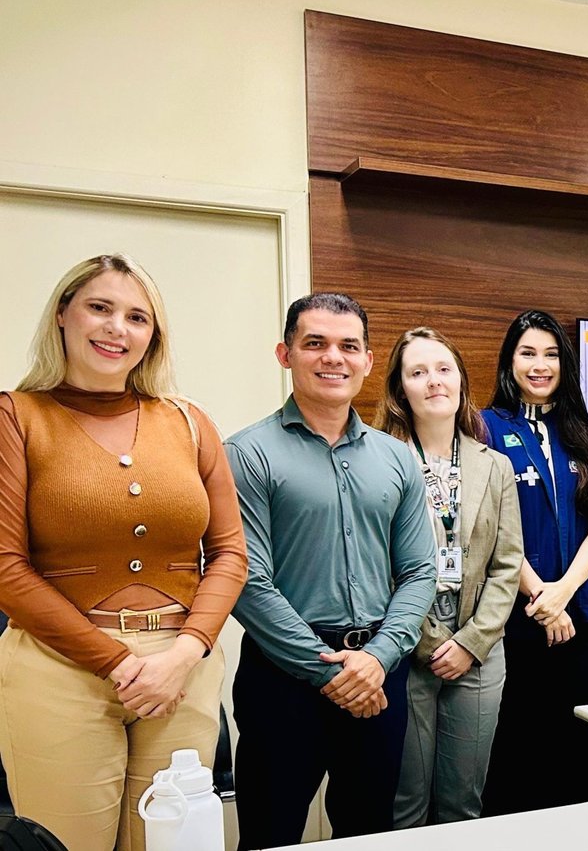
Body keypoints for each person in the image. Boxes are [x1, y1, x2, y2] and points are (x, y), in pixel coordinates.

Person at [0, 255, 248, 851]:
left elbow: (229, 554)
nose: (118, 328)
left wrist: (184, 654)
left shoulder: (189, 422)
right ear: (63, 315)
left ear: (153, 336)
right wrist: (117, 662)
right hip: (59, 670)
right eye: (100, 308)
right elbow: (6, 566)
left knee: (175, 842)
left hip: (181, 673)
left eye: (138, 317)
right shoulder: (16, 415)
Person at [225, 293, 435, 847]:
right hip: (283, 678)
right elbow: (246, 579)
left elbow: (420, 571)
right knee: (270, 834)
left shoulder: (397, 458)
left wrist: (378, 657)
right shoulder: (246, 453)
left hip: (379, 672)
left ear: (367, 360)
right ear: (285, 354)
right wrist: (332, 674)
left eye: (348, 346)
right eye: (314, 343)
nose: (332, 357)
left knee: (369, 834)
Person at [375, 328, 524, 827]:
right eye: (418, 372)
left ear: (461, 379)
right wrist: (426, 640)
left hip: (479, 645)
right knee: (406, 803)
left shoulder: (495, 465)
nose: (434, 381)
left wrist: (472, 642)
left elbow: (508, 563)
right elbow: (376, 564)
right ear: (400, 389)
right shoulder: (381, 460)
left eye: (443, 369)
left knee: (463, 803)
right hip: (404, 644)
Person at [479, 310, 588, 813]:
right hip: (519, 613)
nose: (540, 365)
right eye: (528, 353)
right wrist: (542, 596)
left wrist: (564, 592)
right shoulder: (485, 426)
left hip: (583, 611)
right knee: (520, 743)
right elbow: (489, 528)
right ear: (509, 361)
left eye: (551, 354)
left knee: (579, 744)